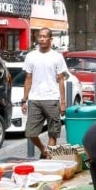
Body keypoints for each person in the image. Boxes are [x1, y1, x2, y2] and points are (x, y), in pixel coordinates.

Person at [21, 28, 67, 159]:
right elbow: (28, 79)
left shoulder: (57, 57)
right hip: (35, 99)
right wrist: (24, 99)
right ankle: (44, 150)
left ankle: (49, 160)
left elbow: (61, 80)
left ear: (50, 39)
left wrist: (63, 103)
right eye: (39, 36)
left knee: (53, 133)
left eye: (44, 36)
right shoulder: (31, 56)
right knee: (30, 132)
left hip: (52, 99)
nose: (41, 39)